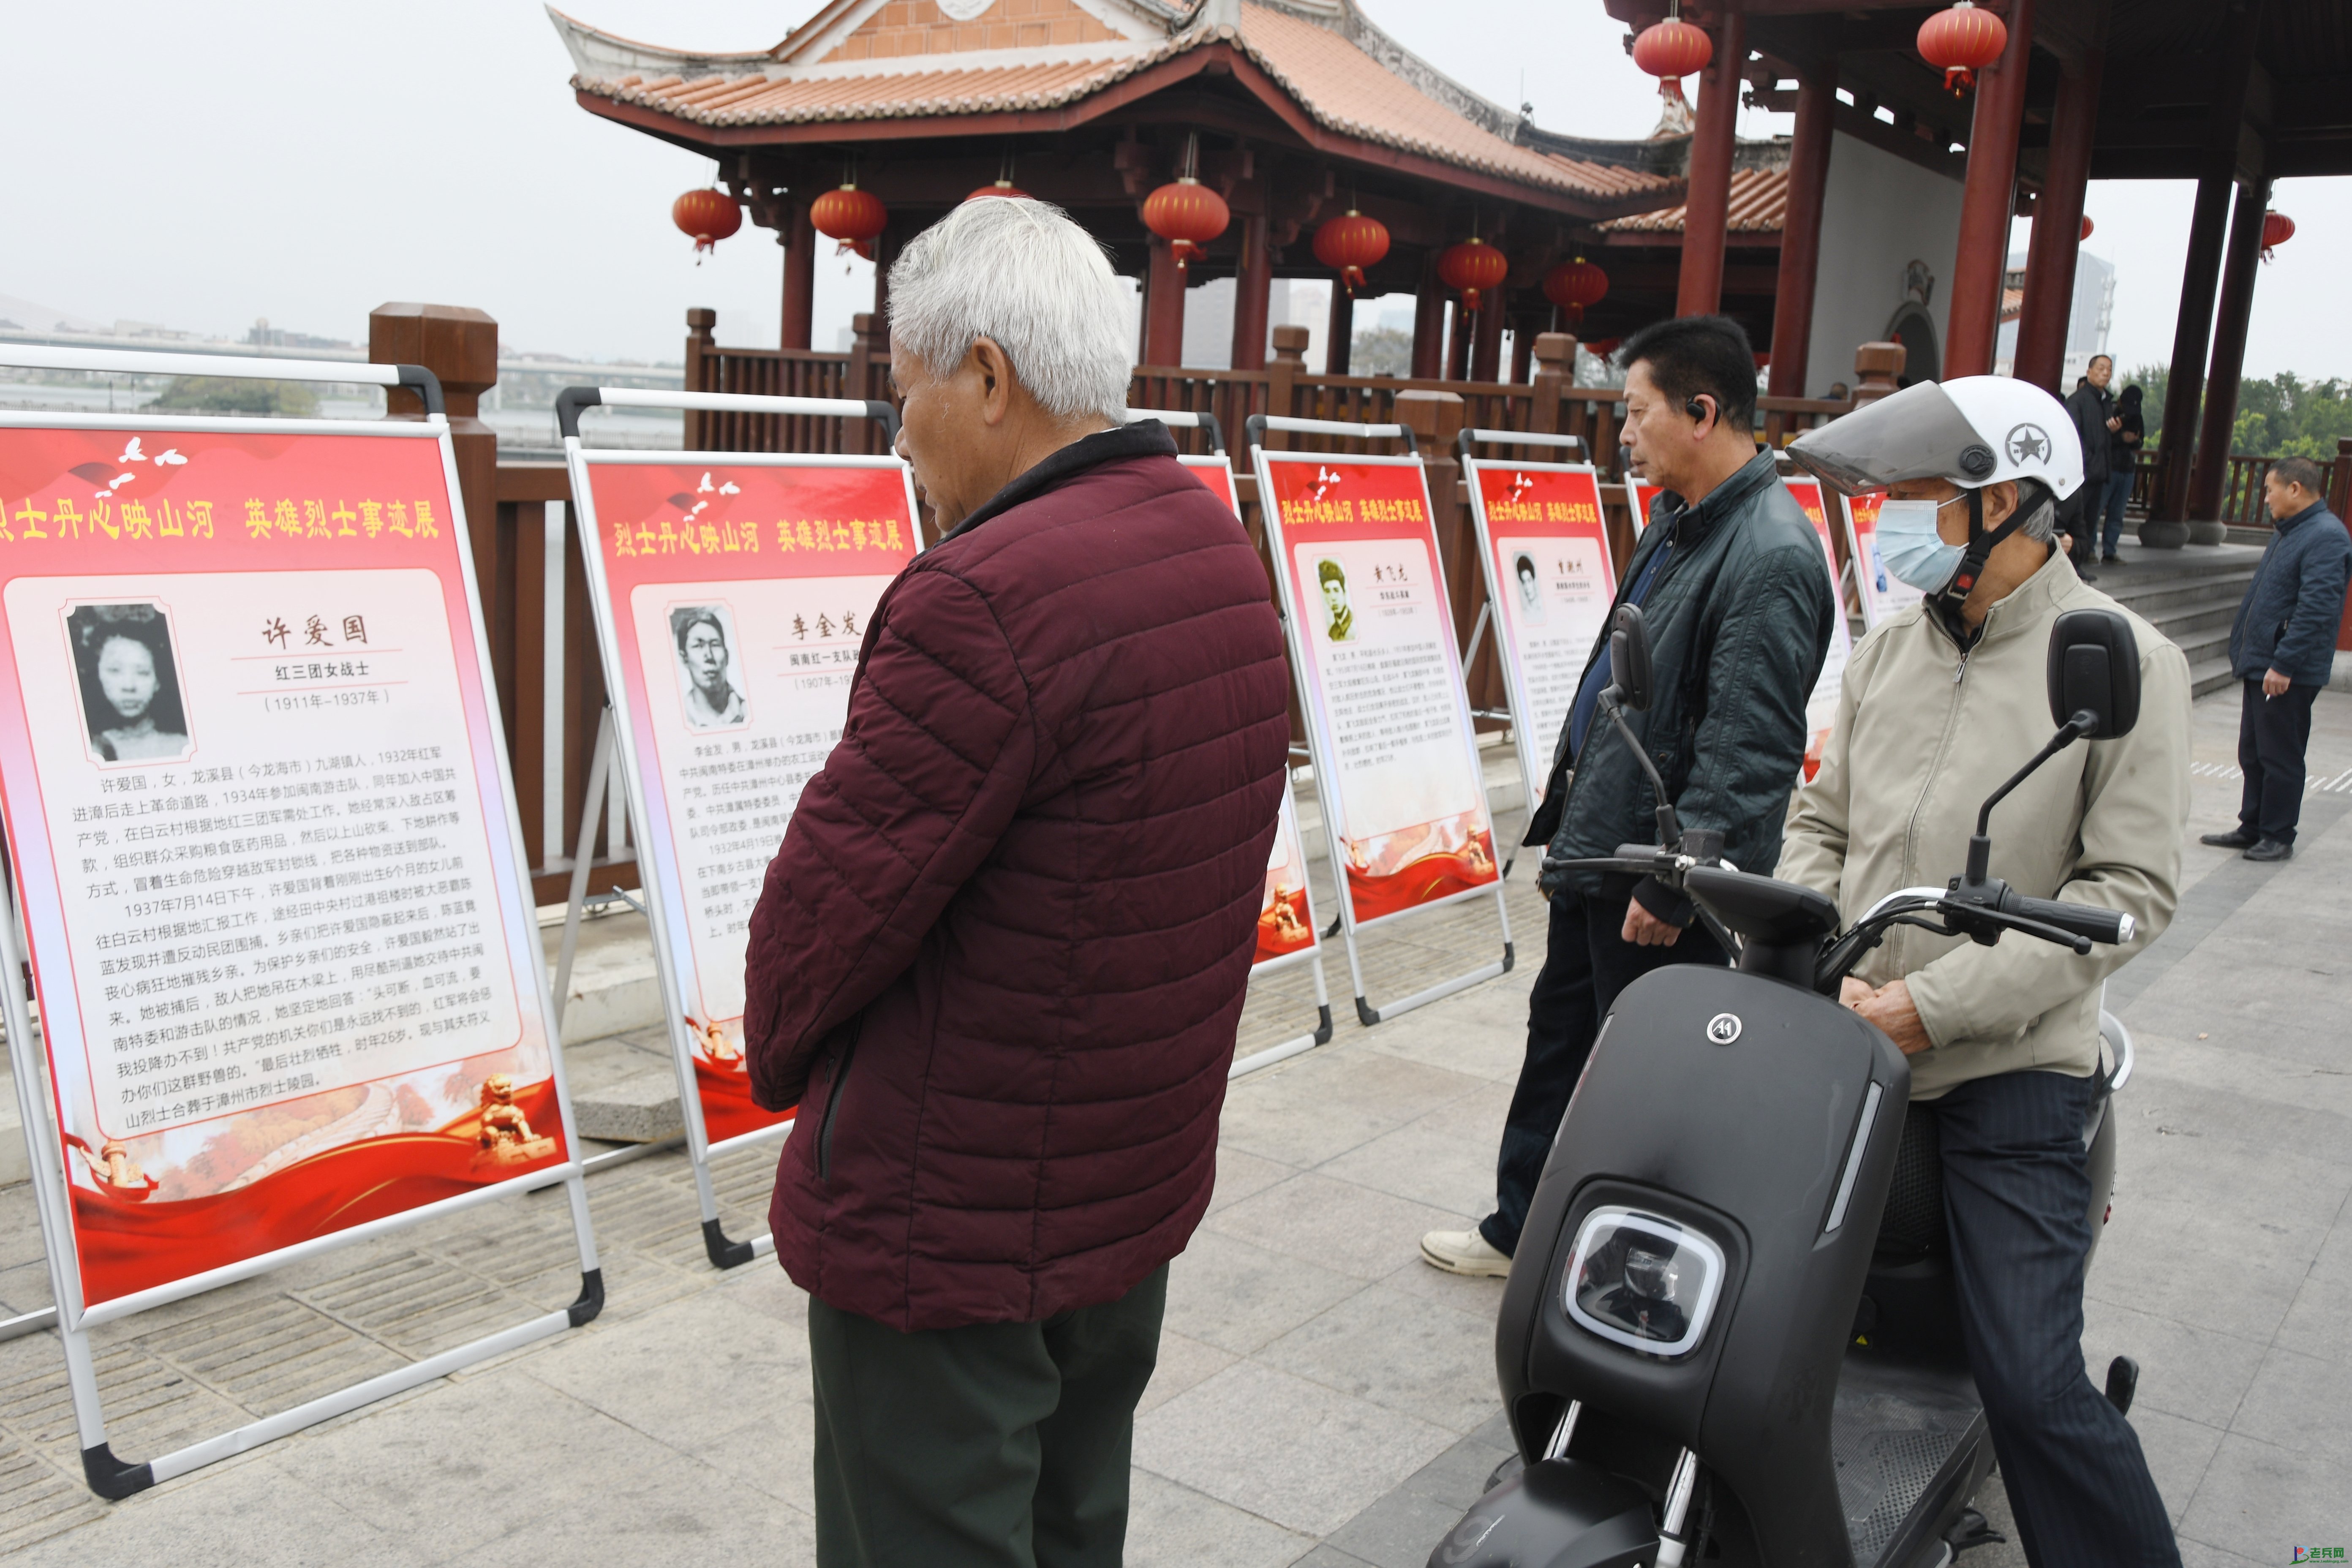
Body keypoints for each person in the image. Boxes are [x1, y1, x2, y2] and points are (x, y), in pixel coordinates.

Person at [739, 196, 1290, 1568]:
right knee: (1069, 1522)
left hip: (954, 1212)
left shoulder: (982, 597)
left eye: (906, 392)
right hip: (1125, 1175)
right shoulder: (1212, 550)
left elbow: (832, 911)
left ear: (986, 377)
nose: (899, 433)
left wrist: (778, 1060)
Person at [1783, 376, 2191, 1568]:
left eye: (1920, 499)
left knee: (2029, 1377)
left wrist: (1932, 1007)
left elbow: (2125, 894)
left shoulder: (2125, 662)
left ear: (2004, 501)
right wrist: (1821, 951)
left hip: (2009, 1071)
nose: (1896, 525)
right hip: (1846, 1034)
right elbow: (1820, 820)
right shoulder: (1887, 650)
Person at [1420, 315, 1835, 1277]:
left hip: (1658, 871)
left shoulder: (1769, 552)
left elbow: (1747, 744)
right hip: (1606, 845)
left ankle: (1634, 1270)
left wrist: (1679, 881)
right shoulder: (1680, 519)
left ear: (1701, 413)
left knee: (1650, 1080)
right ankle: (1521, 1229)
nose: (1624, 432)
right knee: (1561, 1041)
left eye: (1636, 411)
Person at [2200, 456, 2352, 863]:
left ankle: (2278, 834)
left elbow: (2318, 609)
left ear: (2295, 489)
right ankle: (2253, 826)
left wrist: (2284, 663)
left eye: (2270, 490)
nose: (2266, 498)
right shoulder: (2290, 531)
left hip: (2287, 670)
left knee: (2280, 754)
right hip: (2263, 662)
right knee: (2253, 752)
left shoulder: (2326, 537)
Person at [77, 609, 189, 762]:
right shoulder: (85, 747)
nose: (129, 686)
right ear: (97, 674)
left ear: (158, 680)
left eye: (143, 672)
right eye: (115, 671)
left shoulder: (182, 747)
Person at [2060, 356, 2116, 581]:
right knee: (2076, 521)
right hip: (2082, 473)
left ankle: (2078, 564)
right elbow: (2073, 437)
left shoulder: (2106, 402)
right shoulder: (2078, 400)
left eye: (2109, 369)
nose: (2106, 373)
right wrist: (2088, 462)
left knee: (2090, 523)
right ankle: (2067, 566)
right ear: (2089, 371)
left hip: (2099, 473)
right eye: (2101, 368)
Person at [672, 607, 746, 727]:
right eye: (698, 646)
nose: (709, 656)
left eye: (715, 645)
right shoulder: (678, 721)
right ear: (684, 658)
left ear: (727, 656)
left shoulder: (748, 712)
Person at [2100, 383, 2144, 564]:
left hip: (2128, 469)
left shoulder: (2137, 416)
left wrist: (2134, 441)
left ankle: (2110, 551)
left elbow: (2140, 441)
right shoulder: (2111, 412)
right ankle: (2087, 549)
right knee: (2097, 510)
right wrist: (2119, 437)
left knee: (2117, 514)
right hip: (2110, 468)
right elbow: (2100, 438)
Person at [1318, 557, 1356, 641]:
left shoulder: (1355, 625)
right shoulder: (1332, 633)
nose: (1333, 598)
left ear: (1344, 592)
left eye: (1336, 590)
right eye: (1328, 592)